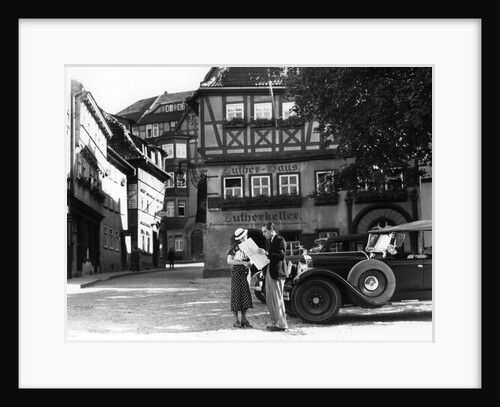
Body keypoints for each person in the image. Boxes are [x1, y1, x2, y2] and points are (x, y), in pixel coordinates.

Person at [259, 222, 288, 331]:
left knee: (277, 299)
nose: (263, 234)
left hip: (276, 274)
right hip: (269, 272)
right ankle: (276, 322)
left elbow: (281, 256)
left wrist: (266, 253)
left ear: (271, 230)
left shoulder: (279, 240)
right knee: (270, 299)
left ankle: (282, 324)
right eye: (263, 232)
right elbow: (271, 257)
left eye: (265, 231)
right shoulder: (270, 241)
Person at [227, 228, 254, 328]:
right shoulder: (235, 247)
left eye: (245, 236)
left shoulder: (250, 246)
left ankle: (244, 319)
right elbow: (229, 260)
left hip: (246, 272)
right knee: (236, 295)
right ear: (240, 238)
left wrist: (251, 263)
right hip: (237, 272)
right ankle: (235, 320)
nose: (245, 238)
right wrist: (242, 262)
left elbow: (253, 259)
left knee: (245, 295)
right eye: (243, 237)